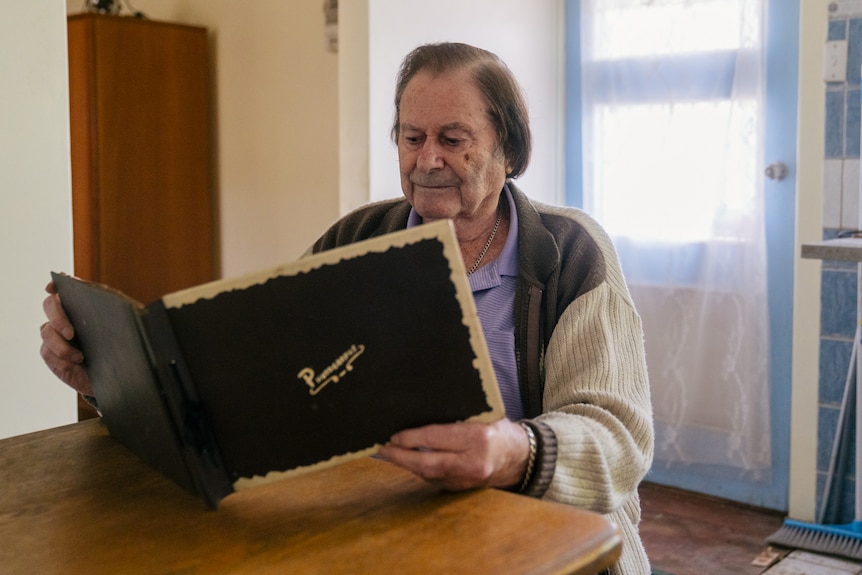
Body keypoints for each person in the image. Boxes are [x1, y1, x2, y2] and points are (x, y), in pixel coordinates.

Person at [41, 42, 653, 574]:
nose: (427, 159)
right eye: (411, 138)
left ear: (509, 151)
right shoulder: (356, 240)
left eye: (453, 139)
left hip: (546, 541)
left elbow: (619, 438)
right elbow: (260, 386)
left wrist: (512, 451)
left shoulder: (570, 252)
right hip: (385, 530)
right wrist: (112, 382)